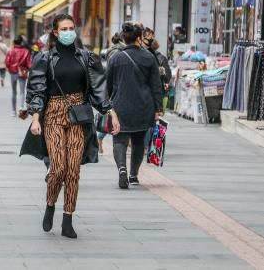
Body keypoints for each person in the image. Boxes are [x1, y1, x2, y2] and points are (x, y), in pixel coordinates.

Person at [22, 13, 120, 239]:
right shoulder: (44, 59)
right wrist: (36, 119)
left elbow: (98, 89)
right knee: (57, 168)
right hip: (54, 114)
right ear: (55, 33)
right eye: (64, 29)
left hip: (78, 115)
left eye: (71, 28)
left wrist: (111, 112)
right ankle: (50, 204)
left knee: (74, 169)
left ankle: (68, 218)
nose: (68, 32)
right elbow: (36, 90)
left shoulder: (87, 58)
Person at [106, 22, 165, 189]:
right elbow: (156, 85)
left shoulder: (115, 58)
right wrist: (158, 108)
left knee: (119, 139)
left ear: (124, 39)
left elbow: (108, 85)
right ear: (139, 38)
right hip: (143, 106)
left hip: (120, 106)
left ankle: (122, 170)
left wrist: (109, 106)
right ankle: (133, 175)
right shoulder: (149, 57)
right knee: (139, 141)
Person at [5, 35, 31, 116]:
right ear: (21, 42)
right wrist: (28, 70)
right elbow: (29, 63)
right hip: (22, 72)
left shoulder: (11, 51)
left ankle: (13, 111)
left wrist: (10, 69)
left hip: (13, 72)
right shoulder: (26, 51)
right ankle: (21, 107)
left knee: (14, 92)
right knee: (22, 91)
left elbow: (7, 62)